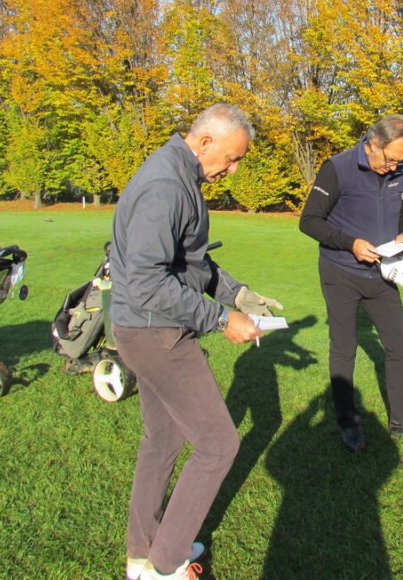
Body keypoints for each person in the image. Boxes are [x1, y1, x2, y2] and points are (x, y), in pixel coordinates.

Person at [109, 103, 283, 580]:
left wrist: (237, 295)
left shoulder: (178, 173)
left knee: (163, 439)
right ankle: (166, 565)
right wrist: (221, 318)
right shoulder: (166, 185)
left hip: (146, 329)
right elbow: (147, 282)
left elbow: (190, 262)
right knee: (218, 445)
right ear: (205, 142)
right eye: (231, 158)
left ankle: (144, 553)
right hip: (156, 334)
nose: (233, 170)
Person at [299, 114, 403, 453]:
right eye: (390, 159)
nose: (394, 167)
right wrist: (350, 244)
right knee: (344, 348)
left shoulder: (400, 169)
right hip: (340, 272)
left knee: (399, 343)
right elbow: (309, 221)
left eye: (401, 161)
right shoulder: (337, 168)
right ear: (372, 144)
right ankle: (348, 423)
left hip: (382, 273)